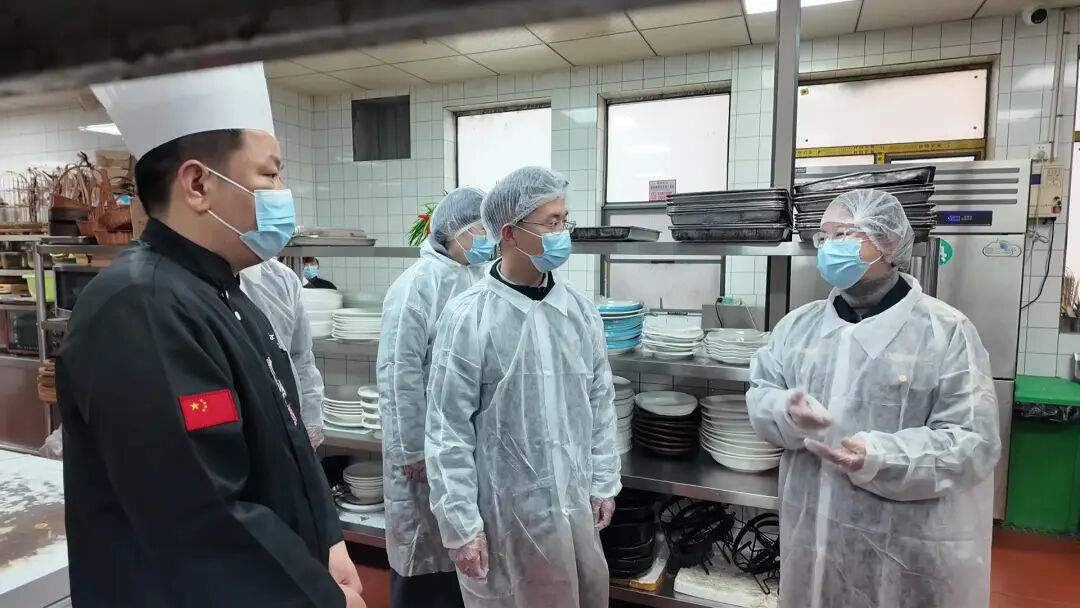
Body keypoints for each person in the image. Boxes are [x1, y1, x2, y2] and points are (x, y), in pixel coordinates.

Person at [57, 63, 364, 608]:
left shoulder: (225, 292)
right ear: (198, 185)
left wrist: (327, 537)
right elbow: (204, 517)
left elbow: (286, 438)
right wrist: (323, 599)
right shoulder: (141, 307)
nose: (282, 194)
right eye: (270, 175)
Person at [746, 188, 1000, 608]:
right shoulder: (799, 327)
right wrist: (784, 412)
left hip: (904, 544)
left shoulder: (945, 332)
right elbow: (762, 393)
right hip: (811, 536)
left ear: (888, 241)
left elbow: (972, 442)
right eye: (823, 237)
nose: (829, 248)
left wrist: (879, 457)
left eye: (844, 234)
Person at [425, 166, 621, 608]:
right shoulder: (468, 317)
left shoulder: (579, 312)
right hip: (504, 521)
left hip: (573, 511)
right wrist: (461, 526)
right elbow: (447, 431)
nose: (563, 233)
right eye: (551, 223)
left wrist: (603, 481)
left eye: (564, 220)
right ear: (510, 233)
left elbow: (600, 402)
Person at [377, 186, 490, 608]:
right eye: (481, 231)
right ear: (453, 231)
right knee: (425, 553)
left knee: (465, 556)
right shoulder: (416, 286)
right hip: (422, 446)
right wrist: (411, 449)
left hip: (463, 443)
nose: (489, 241)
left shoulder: (479, 278)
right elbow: (398, 372)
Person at [241, 258, 327, 449]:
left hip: (288, 428)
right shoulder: (194, 285)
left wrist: (311, 421)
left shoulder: (282, 278)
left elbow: (301, 358)